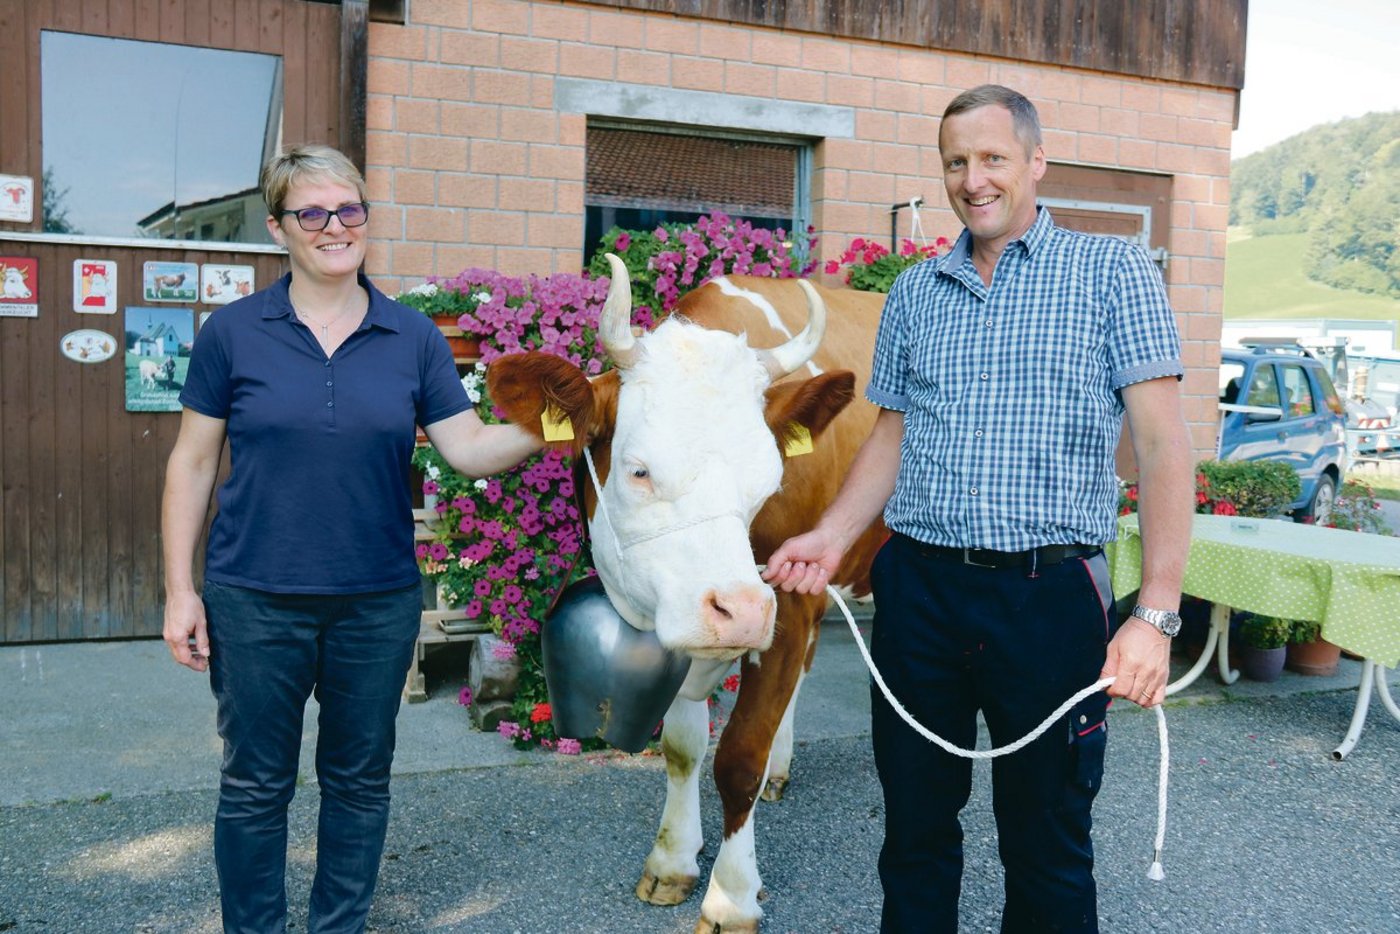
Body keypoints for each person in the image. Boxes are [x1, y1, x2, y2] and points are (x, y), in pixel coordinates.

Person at [764, 85, 1193, 933]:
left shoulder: (1113, 274)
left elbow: (1163, 445)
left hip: (1049, 598)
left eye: (993, 157)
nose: (973, 179)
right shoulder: (918, 293)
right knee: (914, 832)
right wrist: (832, 533)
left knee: (1047, 839)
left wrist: (1156, 614)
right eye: (956, 162)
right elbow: (891, 434)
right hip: (919, 593)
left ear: (1037, 162)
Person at [160, 144, 540, 933]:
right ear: (279, 228)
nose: (336, 227)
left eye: (350, 209)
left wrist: (555, 424)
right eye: (313, 213)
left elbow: (467, 448)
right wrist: (180, 591)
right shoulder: (233, 333)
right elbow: (192, 465)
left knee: (359, 782)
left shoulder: (411, 338)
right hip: (255, 598)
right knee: (256, 785)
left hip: (375, 602)